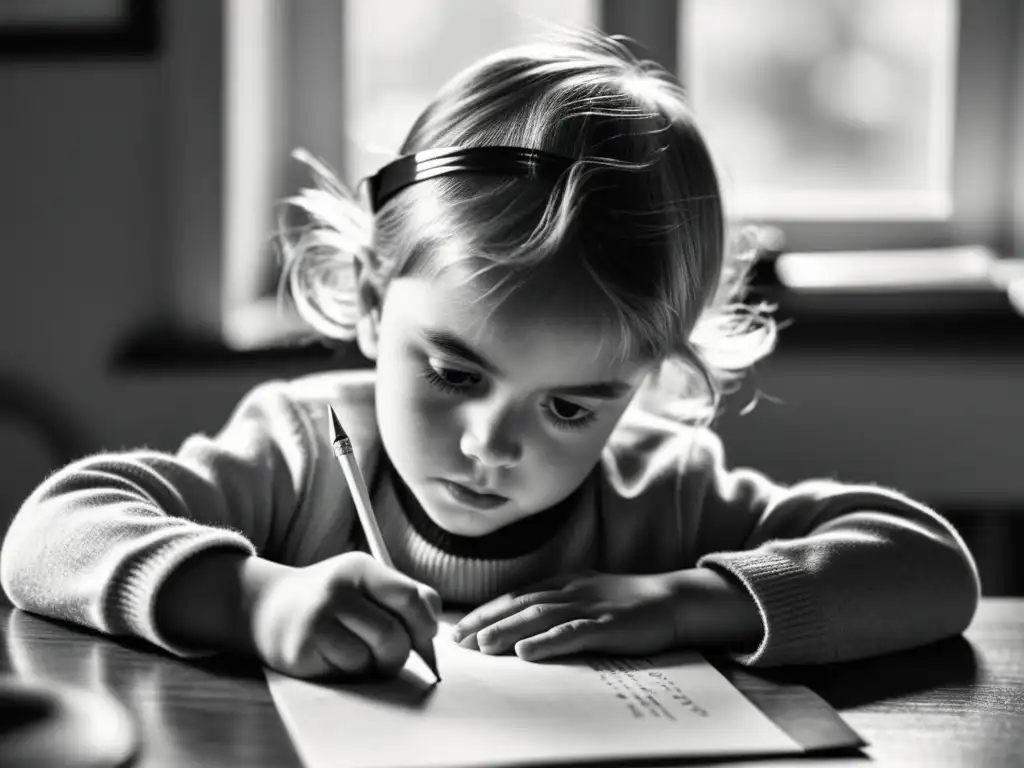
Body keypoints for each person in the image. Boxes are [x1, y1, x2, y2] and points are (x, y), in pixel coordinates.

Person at [1, 29, 979, 680]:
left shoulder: (660, 491)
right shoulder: (299, 453)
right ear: (378, 306)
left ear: (639, 382)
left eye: (570, 407)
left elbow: (932, 569)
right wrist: (257, 599)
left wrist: (687, 601)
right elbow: (50, 534)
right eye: (456, 374)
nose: (489, 447)